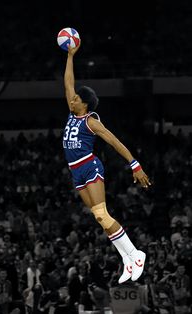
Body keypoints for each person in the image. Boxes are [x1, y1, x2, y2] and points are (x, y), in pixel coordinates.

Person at [62, 41, 151, 284]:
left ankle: (135, 254)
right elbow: (68, 83)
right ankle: (127, 259)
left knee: (102, 215)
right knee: (99, 217)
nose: (72, 99)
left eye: (77, 99)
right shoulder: (72, 112)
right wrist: (70, 56)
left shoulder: (91, 121)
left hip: (90, 167)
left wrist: (135, 164)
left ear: (85, 104)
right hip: (75, 172)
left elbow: (113, 141)